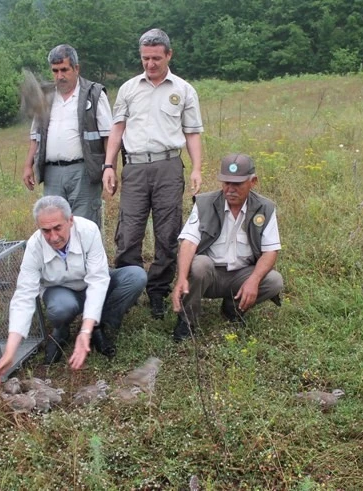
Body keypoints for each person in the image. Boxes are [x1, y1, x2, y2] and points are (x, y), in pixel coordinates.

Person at [102, 28, 204, 320]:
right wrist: (109, 165)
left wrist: (196, 168)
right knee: (129, 232)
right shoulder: (128, 89)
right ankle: (128, 287)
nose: (150, 64)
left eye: (156, 58)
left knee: (168, 231)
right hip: (134, 167)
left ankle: (158, 290)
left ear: (169, 55)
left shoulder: (183, 90)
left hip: (169, 166)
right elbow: (117, 129)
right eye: (145, 58)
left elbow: (192, 133)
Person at [0, 196, 146, 387]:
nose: (53, 237)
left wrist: (86, 330)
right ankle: (61, 331)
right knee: (61, 307)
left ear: (70, 220)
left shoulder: (88, 230)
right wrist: (10, 352)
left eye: (58, 228)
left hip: (90, 284)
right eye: (45, 231)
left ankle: (98, 325)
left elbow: (98, 280)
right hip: (61, 293)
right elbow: (24, 295)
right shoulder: (34, 246)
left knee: (135, 277)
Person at [170, 154, 284, 342]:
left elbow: (270, 251)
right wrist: (181, 278)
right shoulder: (205, 203)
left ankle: (232, 309)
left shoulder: (265, 208)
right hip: (210, 275)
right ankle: (187, 321)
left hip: (241, 275)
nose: (230, 189)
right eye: (226, 183)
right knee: (199, 264)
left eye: (237, 184)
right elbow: (188, 242)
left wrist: (254, 280)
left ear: (252, 181)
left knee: (274, 281)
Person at [23, 44, 112, 228]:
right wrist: (27, 166)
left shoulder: (93, 94)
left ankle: (87, 258)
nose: (59, 76)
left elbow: (108, 136)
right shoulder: (45, 96)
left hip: (84, 172)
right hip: (52, 173)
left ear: (76, 68)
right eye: (55, 71)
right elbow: (36, 135)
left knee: (84, 226)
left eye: (64, 70)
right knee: (55, 225)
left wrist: (109, 168)